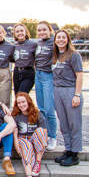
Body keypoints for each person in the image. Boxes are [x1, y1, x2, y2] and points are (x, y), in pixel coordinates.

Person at [52, 30, 83, 166]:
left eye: (63, 38)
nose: (61, 40)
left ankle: (75, 154)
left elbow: (80, 75)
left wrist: (77, 95)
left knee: (74, 123)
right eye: (58, 38)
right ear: (55, 40)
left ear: (68, 39)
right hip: (57, 91)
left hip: (70, 90)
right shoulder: (55, 56)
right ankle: (68, 149)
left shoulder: (74, 55)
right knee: (63, 123)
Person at [12, 92, 48, 177]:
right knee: (26, 147)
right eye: (18, 103)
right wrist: (16, 146)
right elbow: (15, 133)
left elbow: (44, 134)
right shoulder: (16, 115)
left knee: (40, 131)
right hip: (23, 139)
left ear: (28, 101)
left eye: (23, 102)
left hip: (35, 139)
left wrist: (39, 145)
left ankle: (37, 162)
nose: (21, 105)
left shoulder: (37, 114)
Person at [35, 21, 58, 150]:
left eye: (44, 30)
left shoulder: (53, 42)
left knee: (49, 109)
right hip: (37, 74)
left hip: (48, 75)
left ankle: (53, 136)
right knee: (41, 108)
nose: (42, 32)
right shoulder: (39, 43)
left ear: (50, 30)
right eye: (39, 30)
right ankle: (44, 135)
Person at [13, 23, 37, 94]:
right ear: (14, 34)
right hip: (17, 72)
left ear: (25, 32)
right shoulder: (14, 46)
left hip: (28, 72)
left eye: (21, 31)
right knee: (17, 95)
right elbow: (11, 58)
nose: (20, 33)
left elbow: (38, 58)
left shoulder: (33, 44)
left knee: (22, 94)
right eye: (17, 31)